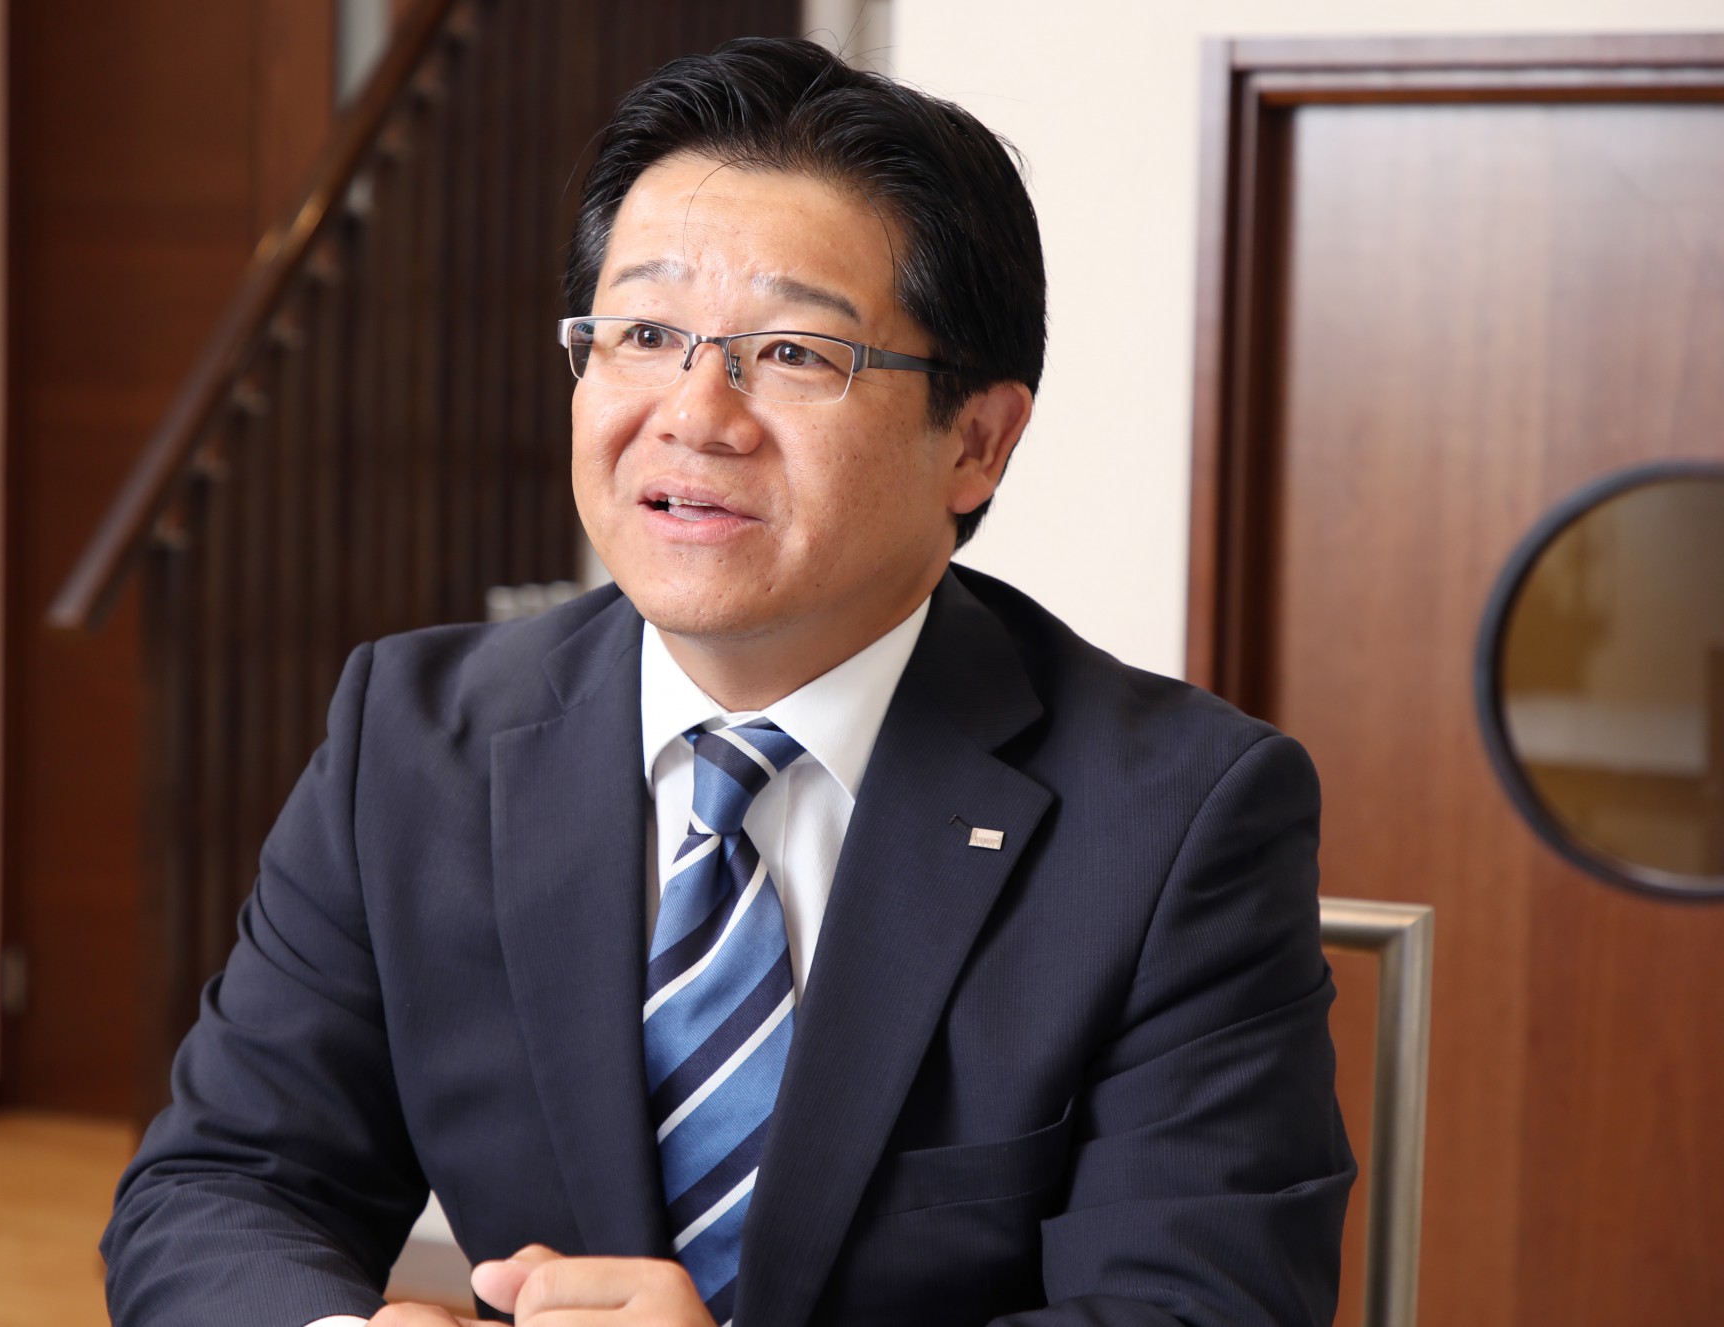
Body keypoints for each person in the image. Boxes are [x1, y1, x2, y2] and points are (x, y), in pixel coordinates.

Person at [101, 36, 1353, 1327]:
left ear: (976, 442)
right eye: (644, 334)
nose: (696, 415)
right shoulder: (414, 744)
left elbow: (1196, 1309)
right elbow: (222, 1184)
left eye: (797, 354)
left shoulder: (1176, 817)